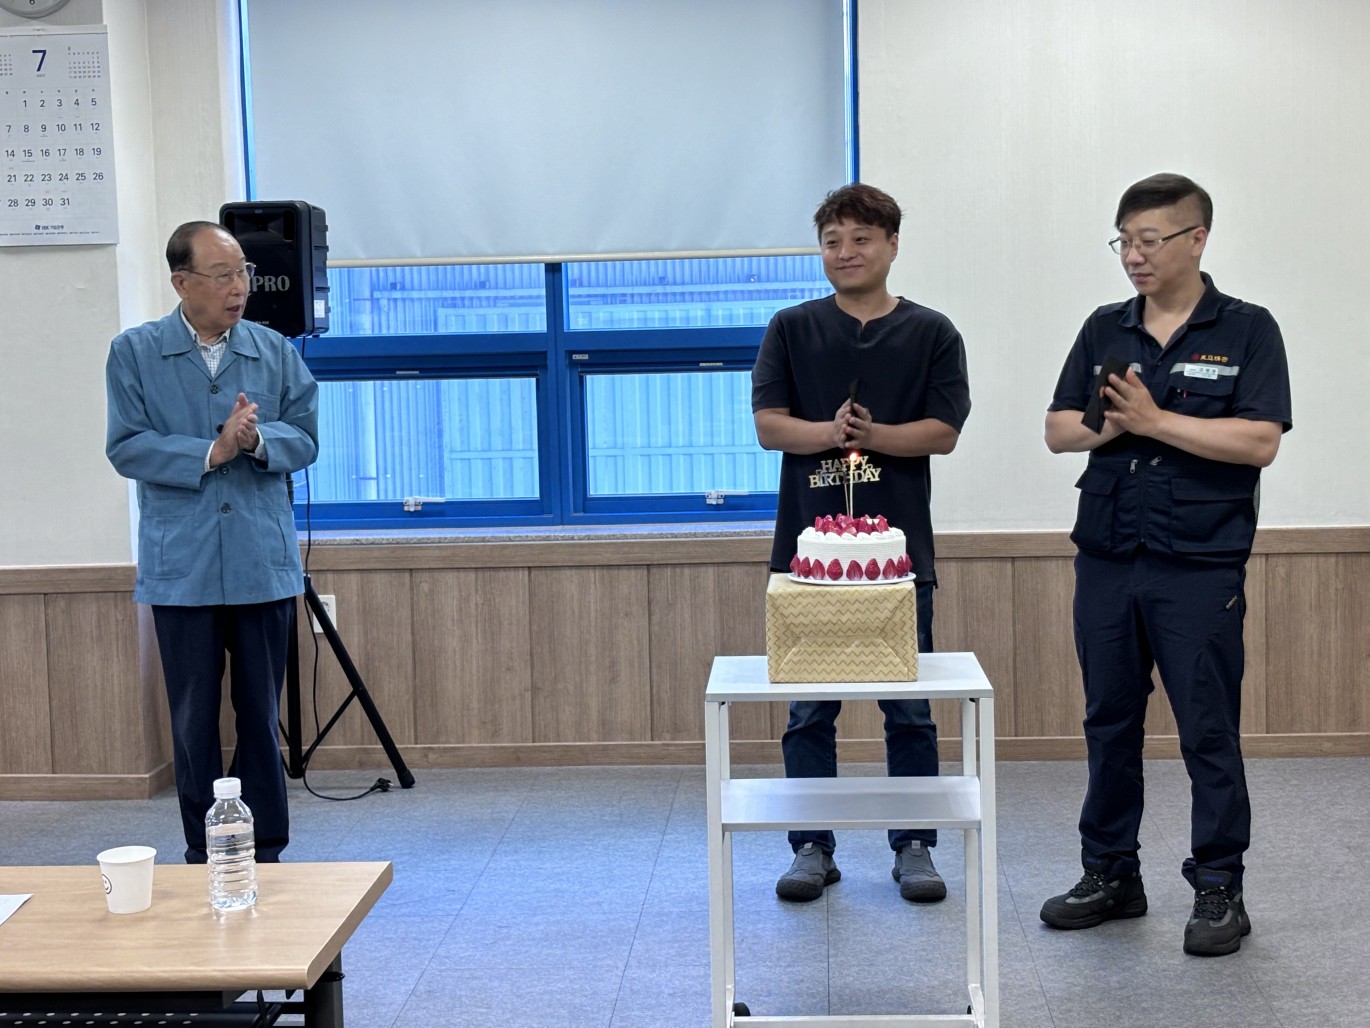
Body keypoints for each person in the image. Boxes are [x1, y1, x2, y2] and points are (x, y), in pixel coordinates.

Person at [1039, 174, 1291, 956]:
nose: (1134, 256)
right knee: (1108, 722)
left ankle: (1219, 887)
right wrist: (1120, 427)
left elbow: (1259, 441)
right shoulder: (1104, 328)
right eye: (1124, 242)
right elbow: (1058, 430)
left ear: (1197, 239)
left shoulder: (1245, 329)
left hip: (1199, 563)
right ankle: (1111, 873)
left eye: (1149, 240)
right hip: (1109, 555)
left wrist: (1155, 420)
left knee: (1206, 728)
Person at [751, 183, 972, 903]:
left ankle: (914, 845)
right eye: (832, 242)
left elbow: (943, 431)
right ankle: (810, 846)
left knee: (908, 708)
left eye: (861, 239)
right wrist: (829, 432)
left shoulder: (932, 331)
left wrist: (874, 436)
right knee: (808, 710)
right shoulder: (791, 327)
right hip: (806, 560)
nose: (845, 253)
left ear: (892, 244)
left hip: (899, 561)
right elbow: (769, 426)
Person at [106, 221, 319, 863]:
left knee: (260, 713)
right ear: (182, 282)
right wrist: (211, 451)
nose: (240, 288)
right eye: (223, 275)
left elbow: (306, 437)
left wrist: (257, 440)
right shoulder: (135, 352)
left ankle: (266, 847)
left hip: (260, 561)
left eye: (243, 273)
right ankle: (205, 850)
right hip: (183, 567)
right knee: (193, 718)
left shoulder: (273, 349)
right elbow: (127, 446)